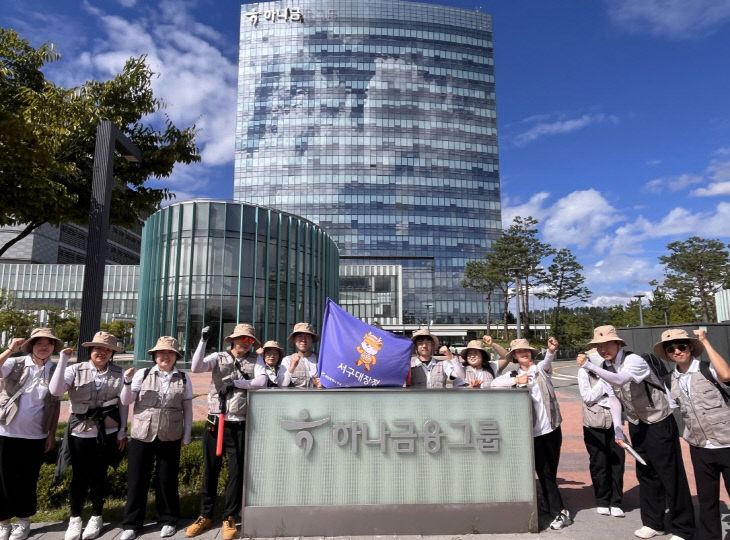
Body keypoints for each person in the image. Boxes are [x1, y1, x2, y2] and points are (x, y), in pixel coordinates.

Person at [577, 325, 694, 540]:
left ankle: (683, 528)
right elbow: (613, 397)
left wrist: (590, 368)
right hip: (637, 423)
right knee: (646, 473)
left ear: (618, 343)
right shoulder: (606, 366)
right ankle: (653, 522)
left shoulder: (634, 361)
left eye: (607, 344)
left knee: (670, 474)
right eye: (598, 346)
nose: (603, 349)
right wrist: (618, 429)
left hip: (659, 421)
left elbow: (621, 380)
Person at [49, 331, 128, 540]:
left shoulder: (119, 373)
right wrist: (64, 359)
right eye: (98, 348)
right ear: (90, 350)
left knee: (100, 475)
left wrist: (122, 430)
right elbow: (56, 391)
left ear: (112, 353)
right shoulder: (75, 369)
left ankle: (96, 515)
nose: (102, 353)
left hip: (107, 431)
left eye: (107, 350)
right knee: (79, 476)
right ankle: (75, 518)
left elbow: (123, 404)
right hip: (80, 433)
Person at [186, 324, 262, 540]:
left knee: (236, 473)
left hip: (239, 422)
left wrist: (235, 383)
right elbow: (197, 367)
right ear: (233, 340)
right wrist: (203, 341)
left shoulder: (256, 361)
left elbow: (260, 382)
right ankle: (205, 515)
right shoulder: (218, 357)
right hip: (215, 421)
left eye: (248, 340)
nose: (244, 343)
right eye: (241, 339)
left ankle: (229, 516)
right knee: (211, 469)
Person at [491, 337, 572, 530]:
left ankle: (548, 502)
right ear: (515, 357)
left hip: (551, 428)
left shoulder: (540, 370)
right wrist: (515, 381)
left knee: (549, 472)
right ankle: (560, 512)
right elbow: (493, 384)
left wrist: (551, 351)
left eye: (526, 351)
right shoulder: (513, 374)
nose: (524, 354)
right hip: (531, 433)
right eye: (519, 352)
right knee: (544, 472)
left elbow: (546, 362)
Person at [659, 328, 730, 540]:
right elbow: (676, 408)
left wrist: (705, 341)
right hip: (699, 447)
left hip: (726, 442)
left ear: (690, 347)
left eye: (681, 346)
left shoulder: (708, 369)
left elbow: (727, 375)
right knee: (707, 500)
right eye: (671, 349)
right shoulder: (669, 379)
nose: (677, 351)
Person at [119, 336, 192, 540]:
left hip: (170, 433)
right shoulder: (142, 374)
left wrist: (186, 435)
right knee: (137, 479)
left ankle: (168, 519)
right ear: (154, 356)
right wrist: (126, 382)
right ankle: (132, 523)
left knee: (166, 479)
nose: (165, 356)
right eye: (161, 353)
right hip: (143, 433)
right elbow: (126, 400)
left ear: (176, 356)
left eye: (170, 353)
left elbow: (187, 408)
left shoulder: (184, 378)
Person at [0, 328, 62, 540]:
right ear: (31, 346)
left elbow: (55, 406)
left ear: (54, 347)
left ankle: (23, 521)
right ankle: (4, 522)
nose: (44, 347)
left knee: (28, 480)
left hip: (35, 435)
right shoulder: (15, 363)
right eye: (39, 343)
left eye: (49, 343)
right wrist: (9, 349)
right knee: (3, 479)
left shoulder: (55, 370)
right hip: (6, 431)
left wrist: (51, 434)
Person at [576, 349, 625, 518]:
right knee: (599, 463)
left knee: (617, 461)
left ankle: (616, 501)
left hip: (615, 422)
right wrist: (604, 381)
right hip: (593, 423)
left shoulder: (616, 369)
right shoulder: (584, 372)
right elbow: (588, 397)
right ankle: (602, 500)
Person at [280, 322, 322, 388]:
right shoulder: (287, 360)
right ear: (294, 340)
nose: (303, 340)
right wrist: (292, 367)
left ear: (312, 340)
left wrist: (323, 384)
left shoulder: (321, 360)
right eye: (300, 336)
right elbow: (281, 384)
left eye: (307, 336)